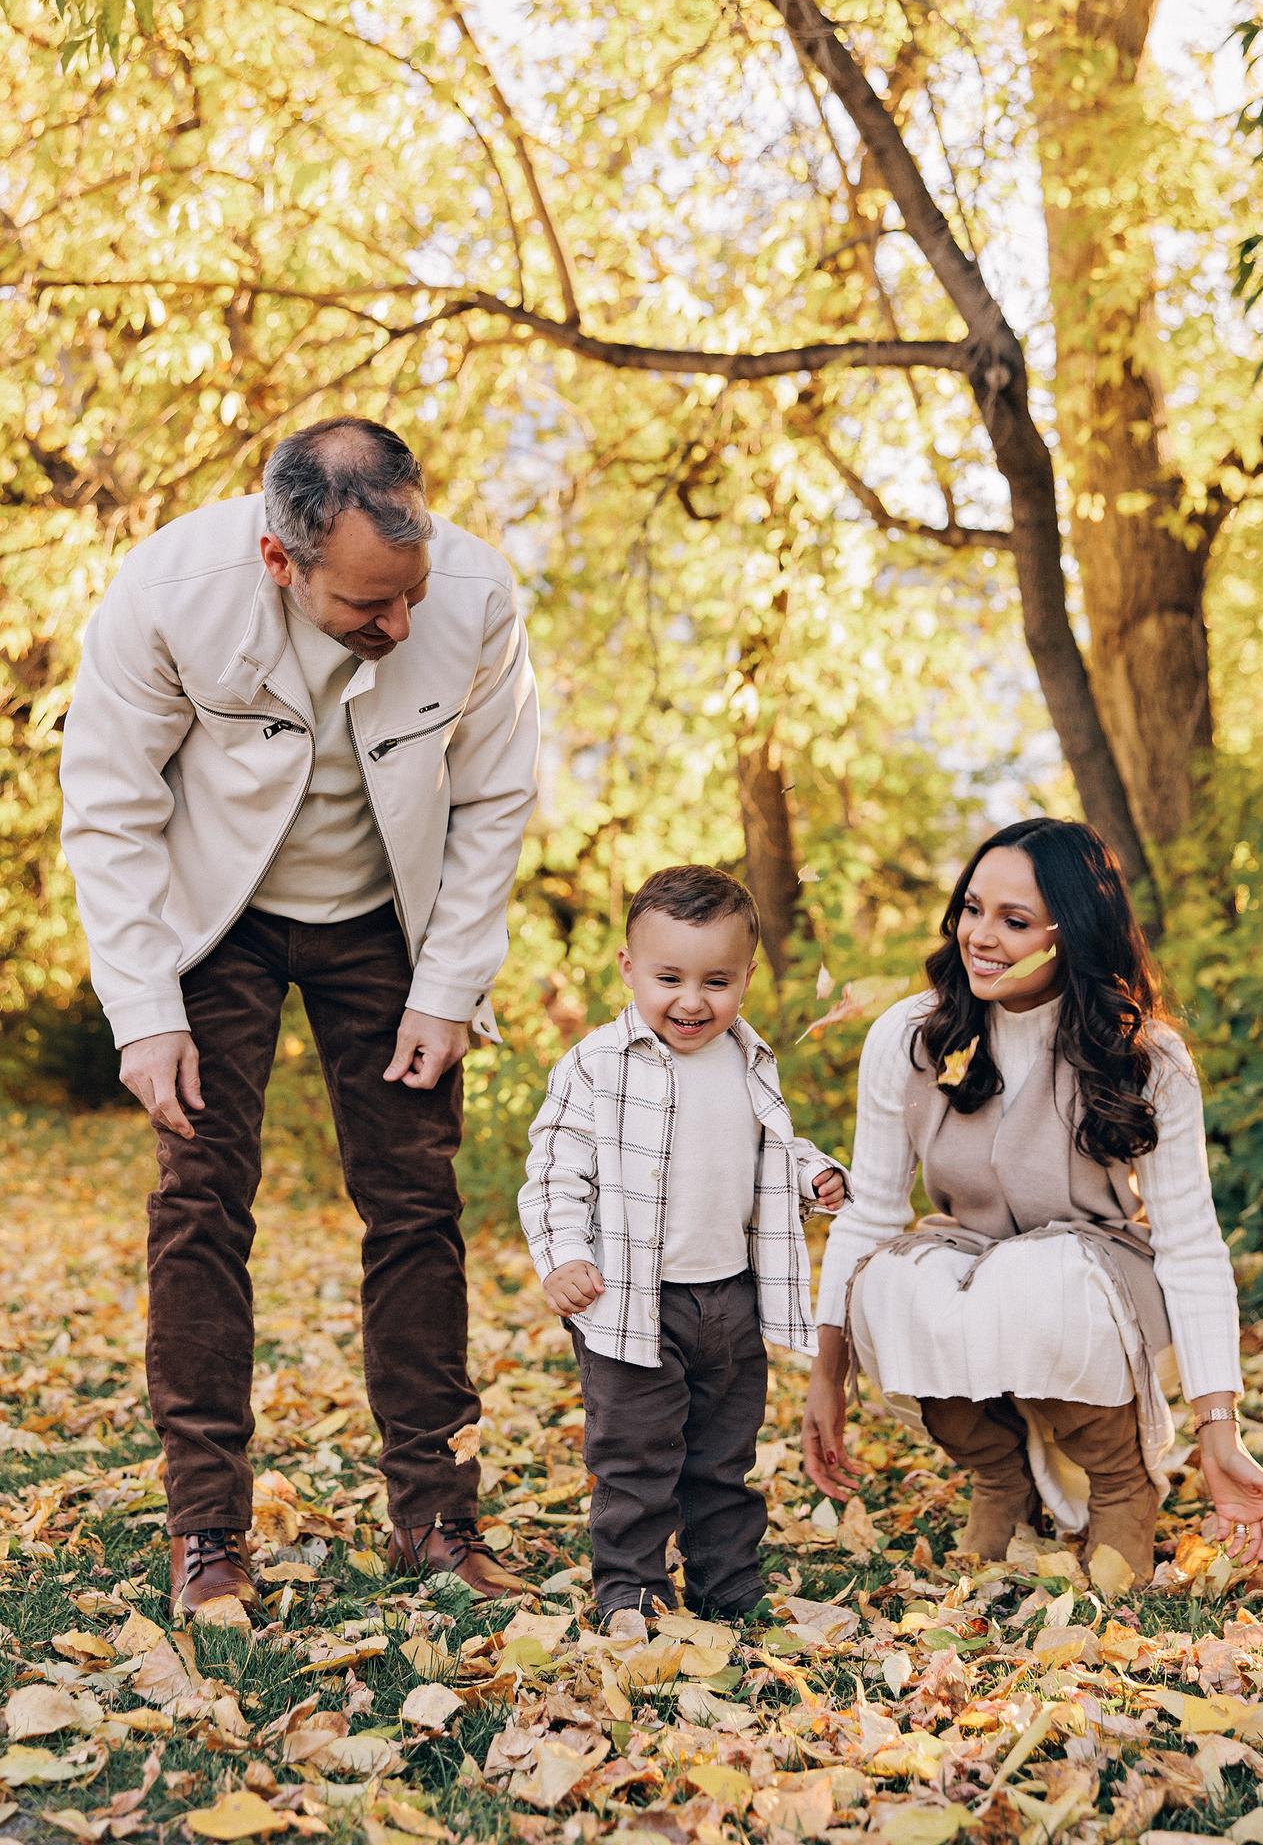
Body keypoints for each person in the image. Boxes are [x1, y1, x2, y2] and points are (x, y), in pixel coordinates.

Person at [60, 417, 540, 1616]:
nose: (402, 625)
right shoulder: (170, 592)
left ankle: (435, 1517)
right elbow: (110, 803)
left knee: (417, 1201)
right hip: (212, 919)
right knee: (200, 1202)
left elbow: (494, 797)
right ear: (282, 560)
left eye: (413, 590)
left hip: (387, 918)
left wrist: (447, 986)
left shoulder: (473, 597)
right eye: (370, 605)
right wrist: (143, 1008)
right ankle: (208, 1530)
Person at [802, 819, 1263, 1584]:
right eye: (971, 908)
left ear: (1076, 932)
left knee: (1036, 1277)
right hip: (967, 1266)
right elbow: (868, 1213)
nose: (979, 936)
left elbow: (1190, 1243)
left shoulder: (1145, 1056)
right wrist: (824, 1377)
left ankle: (1122, 1486)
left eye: (1015, 921)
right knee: (892, 1279)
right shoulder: (909, 1036)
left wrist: (1217, 1431)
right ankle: (1002, 1476)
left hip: (1093, 1283)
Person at [519, 865, 848, 1628]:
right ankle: (628, 1589)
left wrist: (816, 1175)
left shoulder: (748, 1058)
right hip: (630, 1304)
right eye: (668, 977)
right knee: (635, 1460)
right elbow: (556, 1174)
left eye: (717, 980)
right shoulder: (597, 1065)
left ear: (746, 977)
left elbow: (771, 1150)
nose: (692, 1001)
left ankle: (726, 1584)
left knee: (722, 1461)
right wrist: (563, 1256)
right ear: (629, 969)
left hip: (730, 1299)